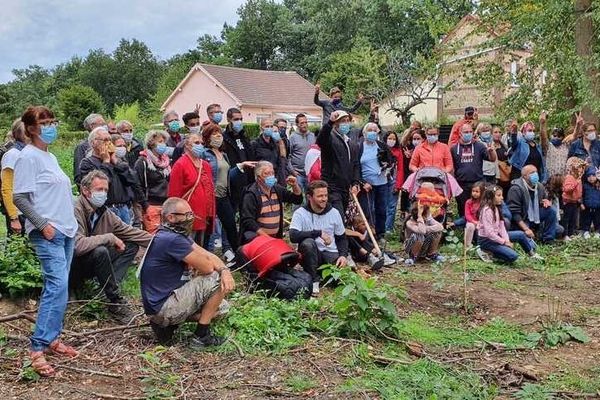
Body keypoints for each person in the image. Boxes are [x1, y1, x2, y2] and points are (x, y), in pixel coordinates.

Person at [13, 106, 79, 377]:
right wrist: (43, 225)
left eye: (53, 121)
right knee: (56, 287)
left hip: (66, 231)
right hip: (48, 233)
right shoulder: (28, 157)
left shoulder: (48, 157)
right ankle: (37, 348)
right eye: (44, 122)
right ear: (30, 129)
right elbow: (19, 198)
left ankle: (52, 338)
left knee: (60, 289)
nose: (51, 126)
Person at [140, 197, 235, 346]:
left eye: (191, 214)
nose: (190, 218)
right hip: (163, 306)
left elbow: (208, 254)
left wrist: (224, 269)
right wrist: (221, 272)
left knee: (222, 308)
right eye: (186, 215)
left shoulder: (172, 234)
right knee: (216, 279)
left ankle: (168, 325)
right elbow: (208, 267)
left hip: (164, 302)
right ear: (171, 217)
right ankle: (201, 335)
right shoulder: (171, 239)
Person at [71, 170, 152, 323]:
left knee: (130, 245)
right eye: (99, 190)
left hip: (91, 261)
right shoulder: (75, 209)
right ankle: (114, 301)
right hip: (72, 266)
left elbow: (131, 232)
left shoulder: (104, 212)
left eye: (105, 190)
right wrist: (109, 237)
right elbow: (77, 245)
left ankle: (104, 287)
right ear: (85, 190)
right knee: (100, 251)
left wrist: (163, 243)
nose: (103, 194)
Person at [202, 123, 256, 260]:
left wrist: (240, 167)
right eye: (214, 134)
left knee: (231, 227)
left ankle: (240, 258)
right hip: (210, 198)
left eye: (219, 133)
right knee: (208, 231)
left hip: (224, 196)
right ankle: (206, 260)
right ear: (207, 137)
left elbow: (227, 175)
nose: (218, 136)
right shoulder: (204, 154)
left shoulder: (223, 155)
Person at [289, 180, 348, 295]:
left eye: (325, 195)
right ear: (309, 197)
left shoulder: (334, 213)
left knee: (341, 280)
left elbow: (342, 238)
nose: (324, 199)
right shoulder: (300, 213)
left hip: (330, 253)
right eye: (320, 196)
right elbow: (293, 236)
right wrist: (317, 233)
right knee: (307, 243)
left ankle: (323, 276)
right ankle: (314, 280)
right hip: (311, 253)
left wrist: (343, 255)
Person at [77, 127, 139, 224]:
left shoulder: (117, 161)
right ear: (93, 143)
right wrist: (106, 162)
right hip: (106, 209)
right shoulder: (87, 163)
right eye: (105, 140)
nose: (109, 143)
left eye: (110, 140)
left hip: (124, 208)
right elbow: (101, 183)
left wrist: (116, 162)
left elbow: (132, 180)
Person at [168, 133, 215, 247]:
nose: (200, 145)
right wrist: (177, 216)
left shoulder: (206, 165)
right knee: (187, 248)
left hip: (205, 215)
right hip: (187, 217)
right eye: (196, 143)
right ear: (187, 145)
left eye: (202, 143)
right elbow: (174, 195)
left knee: (202, 247)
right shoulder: (180, 164)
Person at [240, 160, 303, 243]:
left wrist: (295, 185)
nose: (271, 176)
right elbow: (248, 221)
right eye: (266, 174)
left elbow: (297, 200)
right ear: (258, 177)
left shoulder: (277, 189)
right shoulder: (251, 194)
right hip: (257, 239)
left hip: (275, 238)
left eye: (272, 173)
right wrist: (266, 237)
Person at [316, 110, 361, 219]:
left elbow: (355, 164)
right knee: (337, 217)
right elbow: (321, 140)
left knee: (342, 219)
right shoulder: (331, 138)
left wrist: (355, 183)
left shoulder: (351, 143)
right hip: (332, 187)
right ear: (336, 123)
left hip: (345, 188)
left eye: (347, 121)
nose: (345, 124)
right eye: (342, 121)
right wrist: (329, 123)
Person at [478, 186, 541, 263]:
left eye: (501, 195)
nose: (502, 198)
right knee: (513, 256)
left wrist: (506, 240)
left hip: (497, 236)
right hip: (487, 240)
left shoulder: (497, 208)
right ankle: (486, 251)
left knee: (521, 235)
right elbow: (489, 233)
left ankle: (532, 254)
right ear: (491, 197)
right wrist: (504, 242)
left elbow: (501, 227)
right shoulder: (487, 211)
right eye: (499, 195)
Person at [451, 123, 497, 217]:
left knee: (479, 207)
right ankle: (463, 227)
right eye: (466, 132)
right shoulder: (454, 149)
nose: (468, 134)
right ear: (460, 133)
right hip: (461, 183)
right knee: (462, 208)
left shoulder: (479, 146)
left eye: (470, 132)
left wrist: (491, 151)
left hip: (477, 183)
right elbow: (452, 167)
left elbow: (492, 159)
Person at [358, 122, 393, 240]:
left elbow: (391, 160)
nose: (372, 132)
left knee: (381, 209)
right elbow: (355, 166)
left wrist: (386, 165)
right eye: (370, 130)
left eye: (374, 130)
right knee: (368, 209)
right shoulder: (359, 147)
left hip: (382, 182)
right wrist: (362, 182)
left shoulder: (382, 145)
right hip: (366, 184)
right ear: (364, 132)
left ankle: (380, 233)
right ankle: (367, 233)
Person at [507, 165, 557, 245]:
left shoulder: (540, 186)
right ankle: (532, 234)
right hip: (523, 219)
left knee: (551, 211)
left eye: (536, 172)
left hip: (536, 216)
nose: (535, 174)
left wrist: (546, 202)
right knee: (530, 245)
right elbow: (515, 213)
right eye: (532, 173)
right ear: (525, 176)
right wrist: (526, 229)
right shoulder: (516, 189)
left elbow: (542, 201)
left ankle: (548, 240)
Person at [135, 130, 171, 234]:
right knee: (154, 237)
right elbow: (138, 186)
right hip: (151, 205)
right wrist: (146, 206)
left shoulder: (166, 161)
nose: (163, 144)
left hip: (166, 204)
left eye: (164, 141)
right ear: (151, 143)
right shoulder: (143, 162)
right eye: (160, 141)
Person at [222, 107, 254, 210]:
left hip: (247, 180)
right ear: (228, 120)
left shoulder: (244, 137)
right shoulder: (224, 138)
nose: (239, 122)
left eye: (241, 119)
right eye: (236, 119)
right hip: (233, 181)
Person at [1, 119, 28, 235]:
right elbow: (7, 188)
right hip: (18, 212)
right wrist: (13, 217)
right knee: (17, 244)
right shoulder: (12, 155)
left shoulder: (28, 152)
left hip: (29, 211)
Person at [251, 118, 290, 185]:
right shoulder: (254, 144)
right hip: (261, 179)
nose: (269, 128)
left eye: (271, 126)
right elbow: (252, 163)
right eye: (267, 126)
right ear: (261, 128)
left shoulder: (276, 144)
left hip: (275, 178)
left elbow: (280, 162)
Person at [399, 128, 426, 215]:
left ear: (423, 139)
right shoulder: (408, 148)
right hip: (409, 176)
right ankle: (407, 212)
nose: (416, 141)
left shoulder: (426, 149)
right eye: (414, 139)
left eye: (418, 139)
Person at [74, 113, 106, 183]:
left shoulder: (108, 143)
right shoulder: (82, 147)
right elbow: (79, 176)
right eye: (102, 124)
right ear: (92, 126)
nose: (105, 127)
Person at [289, 113, 316, 191]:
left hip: (310, 174)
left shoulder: (312, 136)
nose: (304, 125)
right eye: (302, 123)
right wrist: (292, 171)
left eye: (306, 122)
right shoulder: (292, 137)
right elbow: (288, 156)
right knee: (298, 199)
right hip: (298, 174)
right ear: (297, 124)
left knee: (311, 198)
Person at [562, 157, 587, 240]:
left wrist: (580, 202)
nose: (581, 170)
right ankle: (565, 235)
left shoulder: (578, 179)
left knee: (573, 219)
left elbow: (579, 192)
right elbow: (567, 190)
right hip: (568, 202)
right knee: (567, 219)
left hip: (575, 202)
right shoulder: (569, 177)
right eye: (579, 167)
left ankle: (571, 233)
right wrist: (575, 184)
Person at [385, 131, 403, 232]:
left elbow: (400, 168)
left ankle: (388, 228)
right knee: (381, 205)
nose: (391, 141)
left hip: (394, 180)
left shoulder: (398, 151)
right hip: (382, 181)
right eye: (389, 138)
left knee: (392, 206)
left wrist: (398, 184)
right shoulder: (380, 148)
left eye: (394, 139)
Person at [464, 181, 486, 250]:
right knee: (470, 226)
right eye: (473, 191)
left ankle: (483, 246)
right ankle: (467, 245)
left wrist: (481, 223)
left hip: (482, 222)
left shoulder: (485, 203)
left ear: (482, 192)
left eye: (477, 191)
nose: (474, 193)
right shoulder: (468, 202)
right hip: (472, 222)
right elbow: (467, 215)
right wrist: (474, 222)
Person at [581, 166, 600, 238]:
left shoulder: (598, 185)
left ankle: (597, 232)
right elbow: (581, 195)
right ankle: (586, 231)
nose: (591, 178)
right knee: (586, 220)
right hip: (587, 207)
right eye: (589, 176)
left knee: (597, 220)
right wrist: (581, 203)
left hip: (597, 207)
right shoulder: (585, 186)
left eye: (593, 176)